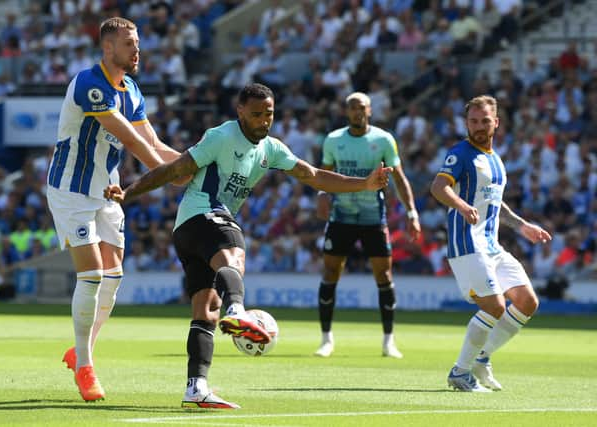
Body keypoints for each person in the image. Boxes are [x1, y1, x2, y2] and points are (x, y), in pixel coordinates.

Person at [104, 83, 392, 409]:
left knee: (205, 309)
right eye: (256, 114)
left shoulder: (271, 149)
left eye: (268, 113)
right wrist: (129, 192)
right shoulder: (221, 136)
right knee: (235, 252)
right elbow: (176, 169)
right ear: (240, 111)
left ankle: (196, 387)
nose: (263, 120)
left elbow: (313, 176)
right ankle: (238, 310)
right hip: (203, 216)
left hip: (189, 230)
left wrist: (365, 184)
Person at [46, 17, 185, 402]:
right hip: (71, 191)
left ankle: (80, 351)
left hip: (107, 192)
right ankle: (86, 367)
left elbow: (153, 143)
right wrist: (170, 173)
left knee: (114, 275)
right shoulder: (90, 84)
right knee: (90, 275)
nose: (137, 50)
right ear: (108, 48)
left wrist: (197, 165)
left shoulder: (133, 89)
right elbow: (132, 141)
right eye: (129, 44)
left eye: (137, 42)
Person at [430, 95, 552, 392]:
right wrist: (460, 205)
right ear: (466, 123)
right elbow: (438, 186)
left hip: (491, 246)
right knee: (495, 306)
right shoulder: (460, 153)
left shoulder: (495, 161)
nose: (479, 126)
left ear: (496, 122)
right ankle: (460, 372)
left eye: (485, 121)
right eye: (474, 121)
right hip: (467, 244)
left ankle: (481, 359)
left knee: (527, 301)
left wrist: (522, 225)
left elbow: (495, 204)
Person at [314, 92, 421, 359]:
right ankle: (326, 339)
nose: (357, 112)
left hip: (374, 217)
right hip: (342, 216)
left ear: (370, 110)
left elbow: (400, 177)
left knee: (384, 277)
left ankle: (389, 341)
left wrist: (412, 212)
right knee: (330, 273)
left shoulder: (383, 140)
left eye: (361, 107)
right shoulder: (334, 140)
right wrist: (321, 195)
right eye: (352, 107)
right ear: (346, 112)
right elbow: (323, 175)